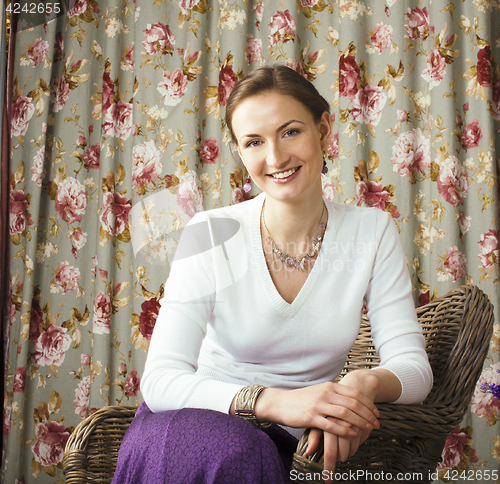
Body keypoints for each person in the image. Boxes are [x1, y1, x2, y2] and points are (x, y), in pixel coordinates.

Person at [111, 64, 433, 484]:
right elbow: (161, 381)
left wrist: (361, 386)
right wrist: (276, 402)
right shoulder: (210, 231)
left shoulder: (371, 232)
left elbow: (414, 370)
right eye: (254, 142)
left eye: (291, 132)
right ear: (240, 152)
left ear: (324, 129)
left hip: (293, 445)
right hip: (193, 422)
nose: (276, 158)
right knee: (238, 451)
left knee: (251, 453)